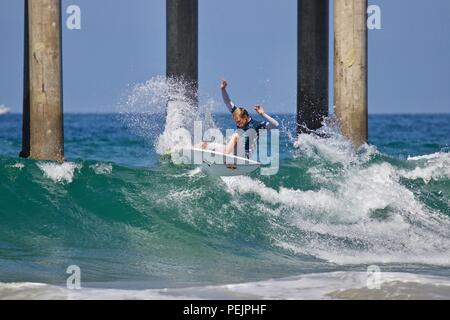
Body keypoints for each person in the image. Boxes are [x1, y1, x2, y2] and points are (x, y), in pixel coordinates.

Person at [201, 80, 279, 159]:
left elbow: (275, 125)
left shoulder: (257, 125)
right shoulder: (238, 114)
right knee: (205, 145)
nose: (237, 124)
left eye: (238, 122)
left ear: (245, 117)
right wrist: (223, 89)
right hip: (233, 154)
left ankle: (223, 157)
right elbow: (228, 102)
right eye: (236, 122)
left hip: (245, 157)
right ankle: (190, 148)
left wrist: (263, 114)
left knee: (235, 136)